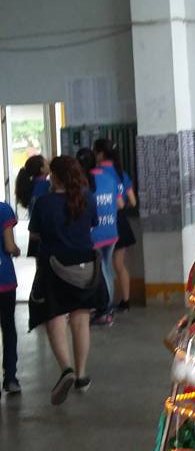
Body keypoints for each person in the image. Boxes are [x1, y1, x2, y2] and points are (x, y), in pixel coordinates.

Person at [28, 156, 108, 404]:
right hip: (85, 266)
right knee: (80, 320)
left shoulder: (44, 203)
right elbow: (92, 225)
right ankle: (82, 375)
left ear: (57, 177)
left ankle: (66, 369)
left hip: (53, 267)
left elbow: (35, 234)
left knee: (55, 318)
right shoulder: (87, 198)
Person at [77, 148, 123, 325]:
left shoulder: (82, 183)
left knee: (101, 272)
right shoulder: (109, 178)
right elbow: (119, 204)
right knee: (106, 269)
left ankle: (105, 310)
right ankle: (108, 307)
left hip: (94, 234)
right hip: (111, 231)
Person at [92, 138, 136, 311]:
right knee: (119, 265)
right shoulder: (121, 173)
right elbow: (131, 201)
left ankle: (104, 304)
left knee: (102, 266)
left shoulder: (96, 174)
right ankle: (125, 301)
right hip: (120, 222)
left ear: (100, 154)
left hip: (102, 223)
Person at [0, 200, 22, 397]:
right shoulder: (3, 210)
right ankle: (11, 378)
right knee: (8, 328)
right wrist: (17, 251)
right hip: (3, 279)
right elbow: (9, 246)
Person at [15, 154, 51, 257]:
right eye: (46, 163)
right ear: (41, 169)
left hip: (34, 234)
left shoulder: (30, 187)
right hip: (47, 236)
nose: (49, 164)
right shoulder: (48, 186)